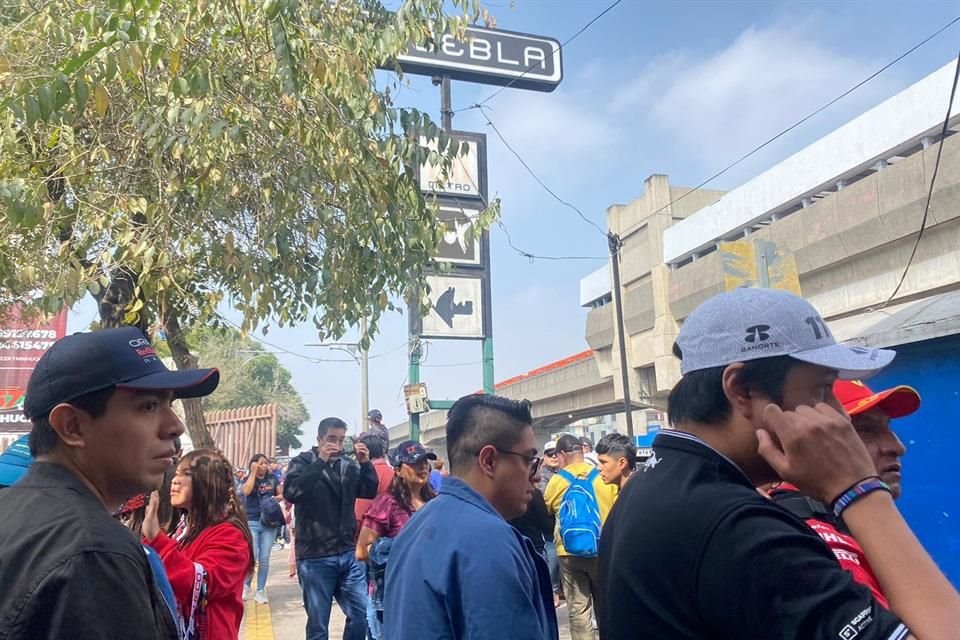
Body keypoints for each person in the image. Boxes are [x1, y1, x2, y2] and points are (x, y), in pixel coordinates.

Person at [599, 287, 960, 639]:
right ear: (741, 390)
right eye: (822, 389)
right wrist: (860, 491)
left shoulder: (651, 485)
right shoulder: (742, 530)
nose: (838, 415)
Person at [0, 326, 218, 640]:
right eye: (148, 406)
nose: (175, 425)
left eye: (169, 404)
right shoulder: (97, 551)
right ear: (73, 426)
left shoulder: (11, 511)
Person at [384, 394, 558, 640]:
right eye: (529, 460)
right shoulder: (489, 541)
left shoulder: (418, 524)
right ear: (489, 461)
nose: (536, 476)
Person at [769, 379, 921, 608]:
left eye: (888, 427)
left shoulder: (841, 518)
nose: (897, 446)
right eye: (864, 429)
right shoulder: (813, 537)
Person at [143, 449, 254, 639]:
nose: (175, 480)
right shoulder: (182, 530)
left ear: (209, 483)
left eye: (186, 474)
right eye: (176, 473)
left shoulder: (231, 535)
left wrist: (156, 538)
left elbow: (200, 585)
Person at [284, 417, 378, 640]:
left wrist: (365, 463)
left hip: (347, 553)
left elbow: (368, 490)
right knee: (318, 625)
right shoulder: (302, 462)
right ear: (319, 439)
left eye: (341, 439)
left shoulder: (348, 465)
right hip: (315, 557)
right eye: (331, 439)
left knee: (361, 614)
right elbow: (293, 493)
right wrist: (320, 461)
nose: (336, 444)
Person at [356, 440, 438, 640]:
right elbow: (361, 551)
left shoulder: (436, 502)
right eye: (415, 463)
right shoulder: (387, 503)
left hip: (429, 596)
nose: (423, 467)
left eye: (425, 462)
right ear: (399, 470)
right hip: (394, 599)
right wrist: (403, 548)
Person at [545, 434, 617, 640]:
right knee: (605, 607)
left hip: (568, 551)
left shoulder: (557, 481)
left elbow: (548, 508)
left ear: (562, 455)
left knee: (578, 611)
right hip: (601, 549)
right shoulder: (603, 476)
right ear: (582, 452)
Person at [241, 452, 283, 603]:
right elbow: (245, 491)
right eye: (260, 463)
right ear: (254, 464)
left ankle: (260, 590)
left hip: (269, 523)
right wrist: (252, 473)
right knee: (252, 555)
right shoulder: (248, 478)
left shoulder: (272, 479)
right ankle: (246, 585)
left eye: (265, 463)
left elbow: (282, 494)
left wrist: (273, 500)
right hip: (252, 521)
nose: (264, 466)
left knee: (264, 558)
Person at [353, 431, 394, 535]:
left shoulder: (366, 475)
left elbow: (360, 509)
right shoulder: (394, 473)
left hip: (368, 532)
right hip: (391, 528)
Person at [539, 439, 563, 605]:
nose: (553, 456)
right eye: (550, 454)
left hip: (561, 524)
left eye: (556, 453)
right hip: (549, 524)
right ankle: (553, 590)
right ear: (544, 457)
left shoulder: (562, 473)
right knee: (552, 557)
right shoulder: (543, 475)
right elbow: (545, 497)